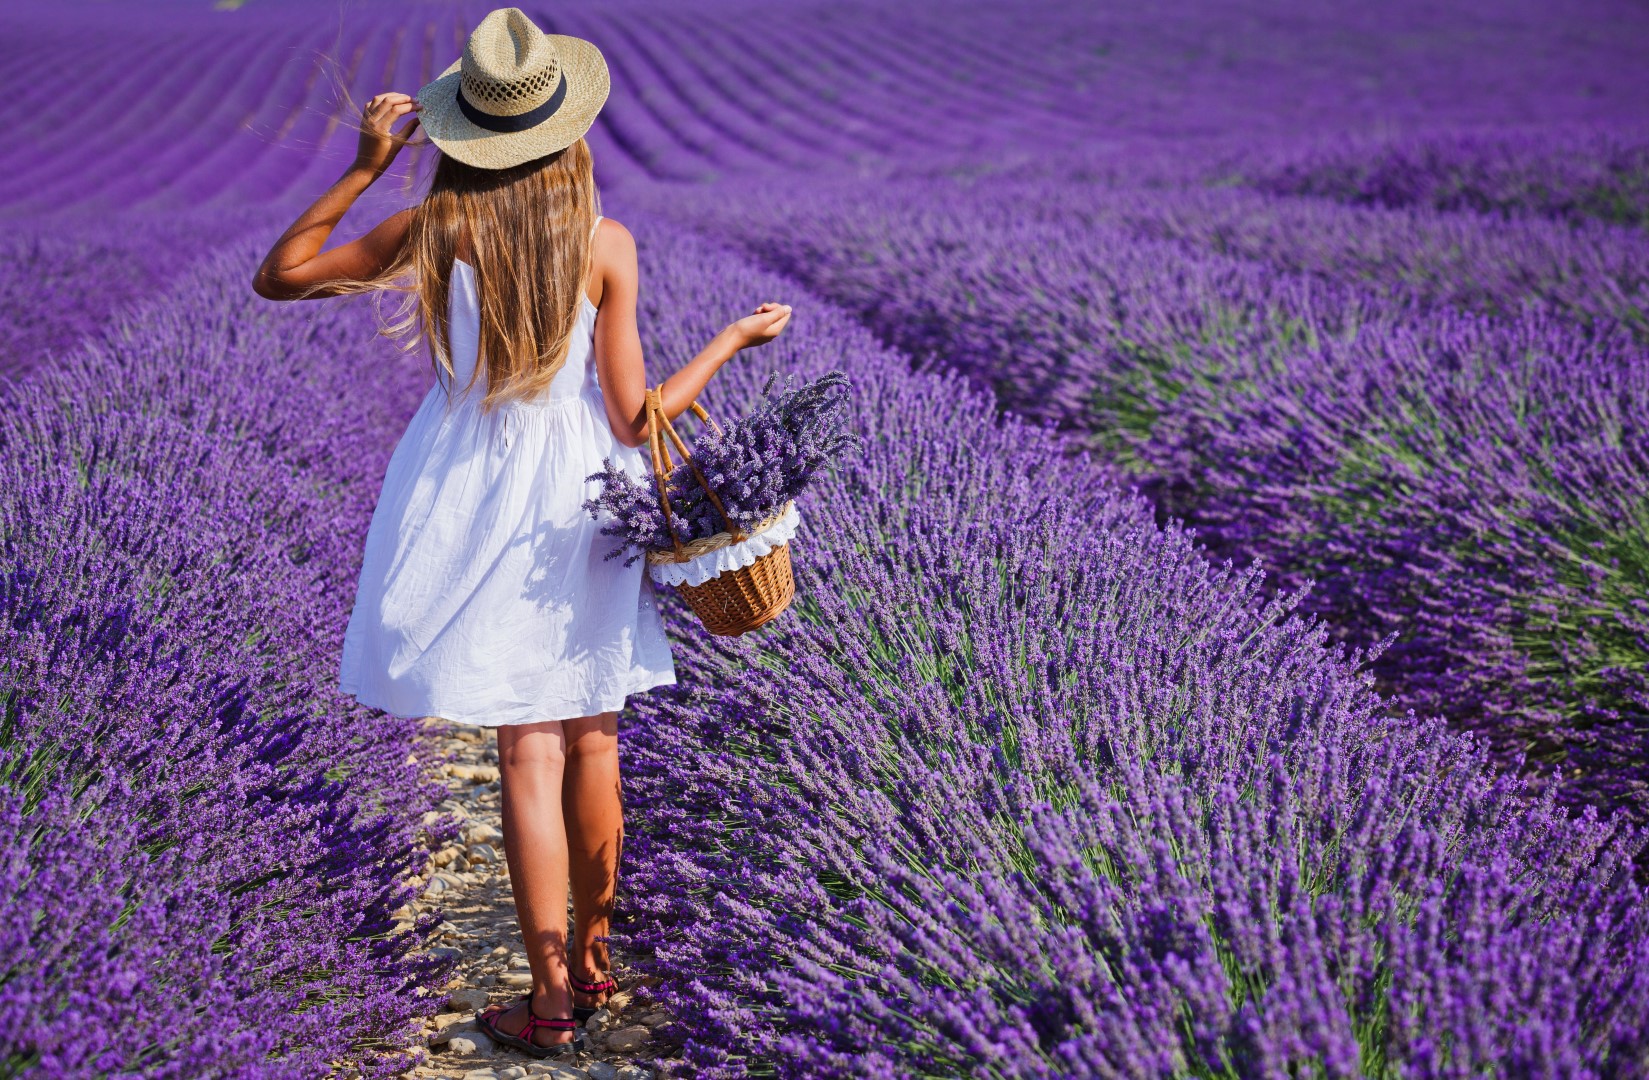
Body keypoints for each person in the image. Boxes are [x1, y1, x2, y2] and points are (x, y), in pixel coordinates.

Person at [250, 6, 792, 1060]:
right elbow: (636, 421)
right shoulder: (603, 243)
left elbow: (282, 276)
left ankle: (547, 1002)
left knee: (524, 752)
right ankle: (590, 967)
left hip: (467, 490)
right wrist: (730, 340)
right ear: (564, 130)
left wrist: (364, 166)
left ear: (464, 134)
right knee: (594, 736)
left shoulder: (435, 228)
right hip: (582, 495)